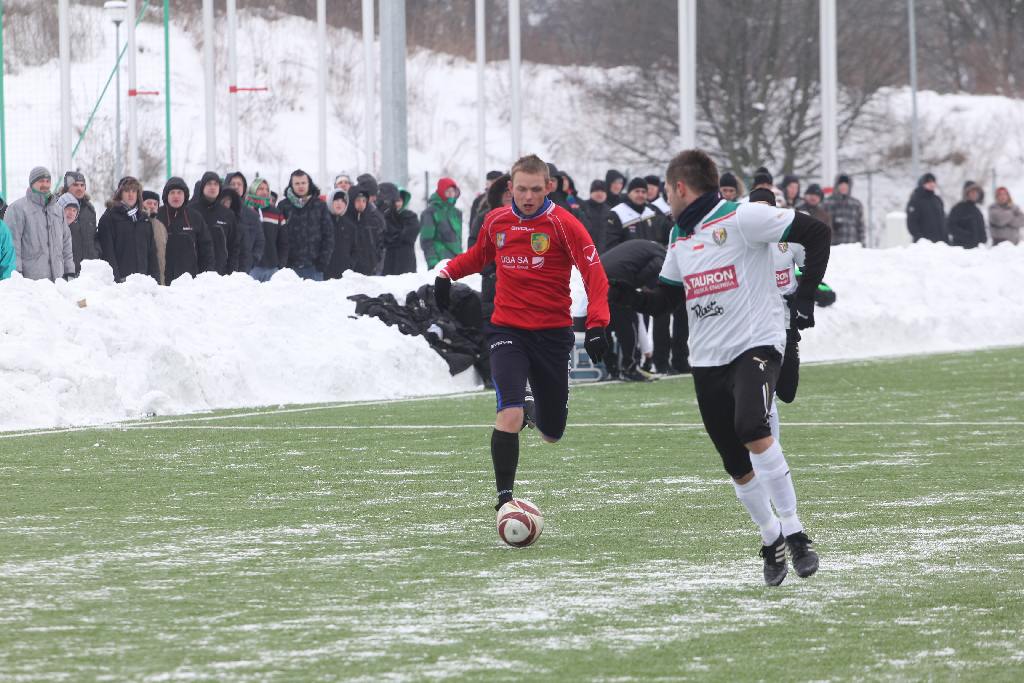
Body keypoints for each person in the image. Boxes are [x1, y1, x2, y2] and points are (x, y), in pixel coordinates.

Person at [610, 149, 830, 586]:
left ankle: (796, 531)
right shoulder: (679, 235)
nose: (666, 199)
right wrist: (629, 297)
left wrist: (804, 295)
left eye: (667, 192)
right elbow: (668, 299)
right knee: (735, 462)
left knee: (753, 427)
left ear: (679, 188)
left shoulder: (743, 218)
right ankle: (771, 539)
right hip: (707, 358)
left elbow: (816, 231)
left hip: (757, 344)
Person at [433, 154, 610, 513]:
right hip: (507, 330)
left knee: (551, 433)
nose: (528, 197)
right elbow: (478, 255)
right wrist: (447, 273)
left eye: (535, 189)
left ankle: (536, 408)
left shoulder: (564, 225)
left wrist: (597, 324)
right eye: (521, 189)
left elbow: (595, 274)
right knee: (508, 414)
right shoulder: (496, 221)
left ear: (548, 187)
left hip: (553, 335)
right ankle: (504, 501)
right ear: (510, 188)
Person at [601, 239, 668, 381]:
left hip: (595, 274)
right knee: (628, 324)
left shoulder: (644, 246)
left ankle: (611, 368)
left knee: (604, 324)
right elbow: (653, 269)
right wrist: (637, 285)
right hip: (616, 278)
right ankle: (629, 367)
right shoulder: (662, 254)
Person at [6, 167, 74, 281]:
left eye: (48, 181)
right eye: (41, 181)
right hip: (31, 282)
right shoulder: (17, 208)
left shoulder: (57, 210)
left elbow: (66, 242)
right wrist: (16, 274)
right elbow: (12, 245)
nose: (45, 185)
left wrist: (69, 271)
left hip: (57, 280)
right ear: (32, 183)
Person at [97, 176, 160, 283]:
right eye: (126, 191)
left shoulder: (144, 219)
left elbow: (152, 254)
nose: (131, 194)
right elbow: (108, 254)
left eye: (134, 191)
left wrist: (155, 281)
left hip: (143, 282)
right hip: (121, 282)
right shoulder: (109, 218)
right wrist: (115, 281)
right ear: (120, 193)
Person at [158, 176, 215, 283]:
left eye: (179, 192)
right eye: (172, 192)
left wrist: (207, 275)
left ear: (185, 195)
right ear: (166, 195)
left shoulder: (195, 217)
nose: (176, 196)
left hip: (189, 281)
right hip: (162, 281)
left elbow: (206, 248)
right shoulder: (158, 216)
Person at [279, 169, 334, 280]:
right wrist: (282, 263)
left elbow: (328, 235)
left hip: (314, 268)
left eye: (303, 183)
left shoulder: (320, 205)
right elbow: (278, 236)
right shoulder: (283, 206)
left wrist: (322, 263)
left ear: (309, 184)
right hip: (289, 269)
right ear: (291, 185)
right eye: (297, 183)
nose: (301, 186)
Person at [190, 172, 238, 274]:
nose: (212, 187)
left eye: (216, 184)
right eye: (209, 184)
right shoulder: (190, 211)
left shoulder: (228, 214)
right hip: (194, 275)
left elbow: (234, 246)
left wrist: (231, 272)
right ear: (203, 186)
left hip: (220, 274)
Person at [245, 177, 288, 281]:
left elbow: (283, 241)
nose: (264, 192)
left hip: (272, 268)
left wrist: (280, 264)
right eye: (260, 188)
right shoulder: (245, 211)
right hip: (251, 268)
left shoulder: (276, 213)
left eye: (266, 189)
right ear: (253, 190)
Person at [225, 172, 266, 274]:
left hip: (243, 271)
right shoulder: (219, 211)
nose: (236, 187)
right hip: (221, 269)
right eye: (233, 184)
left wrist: (252, 259)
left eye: (239, 184)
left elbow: (260, 240)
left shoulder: (252, 214)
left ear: (244, 188)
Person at [420, 177, 463, 270]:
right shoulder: (431, 212)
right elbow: (426, 240)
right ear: (441, 192)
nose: (451, 194)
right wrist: (433, 262)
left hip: (456, 261)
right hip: (440, 262)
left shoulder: (456, 213)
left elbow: (458, 240)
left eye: (453, 191)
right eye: (447, 191)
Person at [61, 171, 100, 274]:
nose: (80, 188)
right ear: (67, 187)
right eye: (75, 185)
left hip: (88, 271)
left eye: (82, 185)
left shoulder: (89, 209)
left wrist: (96, 252)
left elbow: (94, 236)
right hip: (66, 271)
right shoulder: (56, 207)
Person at [605, 177, 659, 250]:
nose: (640, 195)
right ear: (629, 193)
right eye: (637, 191)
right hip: (627, 259)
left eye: (643, 192)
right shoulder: (617, 213)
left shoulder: (651, 213)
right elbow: (611, 245)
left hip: (649, 258)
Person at [379, 182, 420, 275]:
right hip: (390, 260)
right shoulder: (385, 216)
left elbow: (410, 235)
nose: (398, 204)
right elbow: (385, 236)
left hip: (407, 260)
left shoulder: (411, 216)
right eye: (396, 201)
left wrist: (395, 237)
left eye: (400, 200)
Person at [823, 173, 865, 245]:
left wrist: (862, 244)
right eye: (841, 184)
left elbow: (860, 227)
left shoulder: (856, 204)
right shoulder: (827, 203)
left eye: (846, 185)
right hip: (833, 246)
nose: (843, 187)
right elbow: (823, 225)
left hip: (852, 247)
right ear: (837, 186)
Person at [324, 189, 357, 279]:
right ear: (330, 201)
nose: (339, 203)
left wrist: (350, 265)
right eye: (336, 200)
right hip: (324, 273)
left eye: (343, 201)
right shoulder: (322, 222)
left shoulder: (350, 225)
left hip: (344, 275)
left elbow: (355, 249)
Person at [906, 173, 946, 243]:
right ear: (922, 184)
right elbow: (911, 223)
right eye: (928, 182)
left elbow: (943, 220)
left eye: (933, 182)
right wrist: (920, 239)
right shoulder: (915, 200)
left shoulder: (937, 199)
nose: (931, 184)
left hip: (940, 243)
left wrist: (946, 239)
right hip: (924, 245)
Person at [947, 181, 987, 248]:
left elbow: (982, 231)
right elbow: (950, 227)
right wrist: (967, 236)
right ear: (966, 193)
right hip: (961, 250)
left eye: (976, 192)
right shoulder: (958, 208)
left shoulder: (977, 211)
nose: (975, 194)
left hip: (976, 251)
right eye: (972, 192)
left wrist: (983, 239)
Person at [348, 187, 378, 276]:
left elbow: (378, 243)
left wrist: (374, 260)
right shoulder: (347, 221)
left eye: (364, 201)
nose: (361, 204)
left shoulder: (371, 220)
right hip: (350, 271)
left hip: (368, 269)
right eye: (358, 201)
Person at [141, 190, 167, 285]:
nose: (152, 206)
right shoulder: (138, 223)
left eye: (155, 204)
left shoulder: (161, 227)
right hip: (142, 280)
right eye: (149, 203)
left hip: (160, 279)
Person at [580, 179, 613, 253]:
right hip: (585, 252)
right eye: (596, 191)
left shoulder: (610, 211)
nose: (599, 194)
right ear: (591, 193)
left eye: (602, 191)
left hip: (605, 254)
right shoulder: (582, 207)